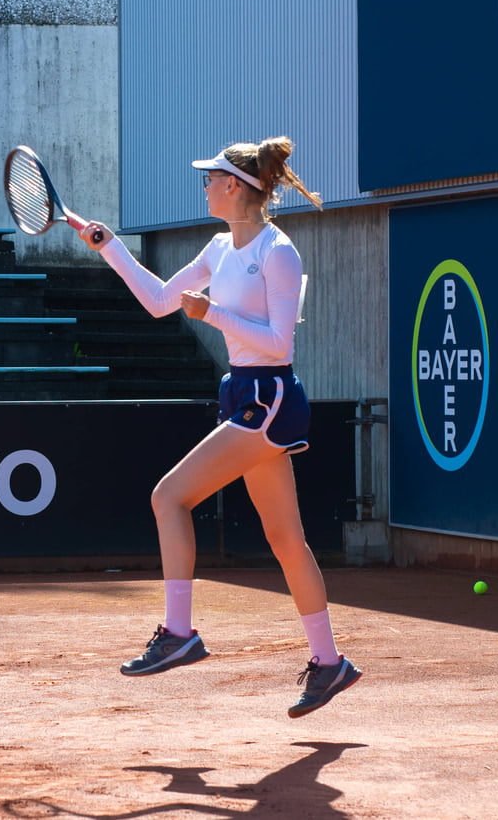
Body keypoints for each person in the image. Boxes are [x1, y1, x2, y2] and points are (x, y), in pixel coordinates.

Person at [74, 136, 361, 719]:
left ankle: (179, 633)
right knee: (286, 540)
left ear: (234, 185)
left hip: (268, 398)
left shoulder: (279, 252)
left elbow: (279, 343)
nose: (205, 186)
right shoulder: (218, 246)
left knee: (168, 497)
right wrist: (111, 248)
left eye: (210, 178)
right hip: (245, 396)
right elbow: (160, 301)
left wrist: (213, 314)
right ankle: (330, 662)